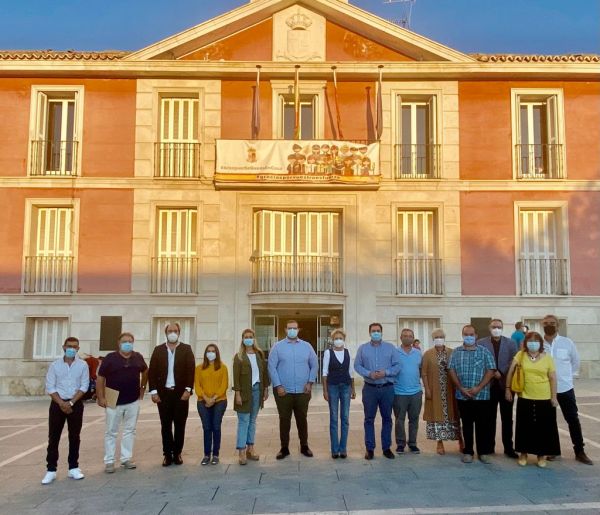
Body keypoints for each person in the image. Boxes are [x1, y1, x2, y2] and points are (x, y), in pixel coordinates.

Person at [542, 314, 593, 465]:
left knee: (572, 419)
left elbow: (575, 362)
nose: (549, 325)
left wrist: (566, 378)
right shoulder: (539, 344)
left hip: (565, 388)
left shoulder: (567, 343)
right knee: (548, 421)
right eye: (546, 323)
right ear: (542, 325)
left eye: (552, 323)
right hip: (545, 389)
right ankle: (553, 451)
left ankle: (580, 451)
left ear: (558, 326)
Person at [506, 331, 560, 467]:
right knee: (524, 427)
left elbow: (553, 378)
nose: (533, 343)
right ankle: (523, 453)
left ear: (540, 343)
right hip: (525, 396)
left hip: (544, 397)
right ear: (525, 343)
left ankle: (541, 455)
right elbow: (511, 371)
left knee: (543, 428)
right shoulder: (520, 355)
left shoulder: (548, 358)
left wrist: (554, 397)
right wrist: (508, 388)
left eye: (536, 341)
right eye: (530, 340)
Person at [96, 332, 148, 473]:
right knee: (111, 431)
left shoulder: (138, 357)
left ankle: (126, 458)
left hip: (132, 399)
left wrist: (142, 388)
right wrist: (101, 397)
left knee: (129, 430)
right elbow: (100, 377)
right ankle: (109, 461)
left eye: (130, 341)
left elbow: (145, 371)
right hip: (113, 398)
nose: (128, 343)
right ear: (119, 343)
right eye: (125, 341)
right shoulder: (110, 358)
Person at [268, 320, 318, 460]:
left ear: (298, 329)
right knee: (284, 420)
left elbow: (314, 365)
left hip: (303, 391)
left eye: (294, 328)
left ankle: (304, 446)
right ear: (285, 329)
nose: (292, 330)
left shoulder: (307, 346)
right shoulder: (277, 347)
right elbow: (271, 367)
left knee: (302, 419)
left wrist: (310, 382)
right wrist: (278, 385)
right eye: (289, 328)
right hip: (283, 392)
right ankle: (284, 448)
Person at [42, 337, 89, 485]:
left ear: (78, 349)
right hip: (57, 404)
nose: (72, 349)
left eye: (75, 347)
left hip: (75, 403)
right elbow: (50, 387)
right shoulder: (55, 365)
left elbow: (84, 386)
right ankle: (51, 469)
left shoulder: (83, 365)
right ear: (63, 347)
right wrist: (62, 403)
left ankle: (73, 467)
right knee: (53, 437)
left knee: (75, 436)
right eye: (69, 346)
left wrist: (71, 402)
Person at [148, 322, 195, 466]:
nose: (172, 333)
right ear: (166, 333)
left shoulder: (186, 349)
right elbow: (152, 372)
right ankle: (167, 454)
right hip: (164, 394)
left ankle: (178, 453)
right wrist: (154, 392)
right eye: (170, 331)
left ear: (179, 332)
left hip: (180, 394)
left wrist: (188, 390)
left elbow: (191, 370)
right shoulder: (158, 350)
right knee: (166, 425)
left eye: (175, 330)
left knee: (180, 425)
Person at [448, 325, 496, 464]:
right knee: (467, 425)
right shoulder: (456, 352)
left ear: (476, 335)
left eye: (471, 334)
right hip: (462, 396)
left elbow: (491, 370)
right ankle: (468, 451)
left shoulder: (484, 352)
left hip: (481, 396)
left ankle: (483, 452)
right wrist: (461, 388)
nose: (468, 336)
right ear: (462, 335)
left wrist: (479, 387)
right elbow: (451, 370)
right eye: (466, 334)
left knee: (482, 425)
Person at [354, 323, 401, 460]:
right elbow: (357, 365)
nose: (376, 333)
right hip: (370, 389)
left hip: (387, 388)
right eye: (373, 331)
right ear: (369, 333)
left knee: (387, 418)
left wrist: (385, 372)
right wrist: (369, 373)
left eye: (378, 331)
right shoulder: (363, 349)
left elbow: (398, 365)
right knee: (369, 419)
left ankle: (386, 448)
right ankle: (370, 449)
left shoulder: (390, 348)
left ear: (382, 332)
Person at [477, 319, 518, 458]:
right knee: (489, 418)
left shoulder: (511, 343)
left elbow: (514, 360)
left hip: (506, 385)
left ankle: (508, 447)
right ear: (489, 328)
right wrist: (493, 371)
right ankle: (489, 447)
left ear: (502, 328)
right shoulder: (481, 343)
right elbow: (480, 359)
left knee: (507, 418)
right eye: (494, 327)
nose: (496, 329)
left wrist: (501, 370)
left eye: (499, 327)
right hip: (489, 385)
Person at [421, 328, 462, 455]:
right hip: (435, 391)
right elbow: (424, 373)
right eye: (436, 337)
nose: (439, 339)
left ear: (444, 338)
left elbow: (457, 369)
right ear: (433, 339)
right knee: (437, 416)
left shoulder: (452, 352)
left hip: (451, 390)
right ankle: (440, 443)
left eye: (441, 336)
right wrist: (427, 389)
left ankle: (460, 440)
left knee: (455, 415)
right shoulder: (428, 354)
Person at [233, 329, 269, 465]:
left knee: (252, 421)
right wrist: (237, 394)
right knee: (243, 421)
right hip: (244, 393)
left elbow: (264, 373)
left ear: (254, 339)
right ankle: (241, 451)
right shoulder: (239, 356)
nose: (248, 339)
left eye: (251, 337)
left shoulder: (259, 354)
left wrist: (265, 389)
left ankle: (250, 448)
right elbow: (235, 378)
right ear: (242, 339)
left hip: (257, 391)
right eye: (246, 337)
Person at [322, 328, 355, 459]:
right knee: (334, 418)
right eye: (336, 338)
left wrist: (353, 389)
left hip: (346, 386)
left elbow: (351, 372)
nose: (338, 340)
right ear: (332, 340)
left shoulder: (348, 352)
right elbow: (324, 373)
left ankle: (343, 448)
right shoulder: (328, 353)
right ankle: (335, 449)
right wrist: (325, 390)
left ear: (344, 340)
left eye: (340, 338)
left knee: (345, 418)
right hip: (333, 386)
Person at [196, 343, 228, 465]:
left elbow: (223, 385)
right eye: (208, 351)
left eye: (213, 351)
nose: (211, 353)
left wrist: (213, 399)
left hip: (219, 401)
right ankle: (206, 455)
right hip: (202, 401)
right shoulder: (199, 368)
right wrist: (205, 398)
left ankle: (215, 454)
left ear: (217, 353)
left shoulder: (223, 368)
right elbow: (197, 386)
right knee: (207, 427)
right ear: (205, 354)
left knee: (216, 426)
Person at [393, 328, 423, 454]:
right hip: (399, 392)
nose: (408, 338)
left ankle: (412, 443)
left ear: (413, 338)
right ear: (400, 337)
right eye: (405, 335)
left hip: (416, 392)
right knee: (399, 420)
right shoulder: (394, 352)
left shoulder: (418, 353)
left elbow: (421, 370)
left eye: (410, 336)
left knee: (414, 419)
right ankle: (400, 444)